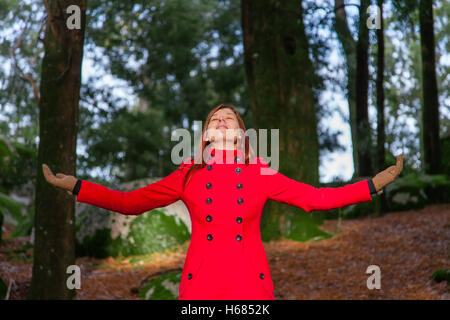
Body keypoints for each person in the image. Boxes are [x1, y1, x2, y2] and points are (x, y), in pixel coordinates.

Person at [42, 103, 404, 300]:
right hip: (201, 284)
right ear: (206, 135)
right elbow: (129, 202)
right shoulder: (187, 174)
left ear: (242, 135)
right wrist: (76, 186)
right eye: (216, 119)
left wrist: (372, 184)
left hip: (250, 282)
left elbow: (316, 199)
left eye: (229, 119)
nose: (222, 122)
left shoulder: (260, 172)